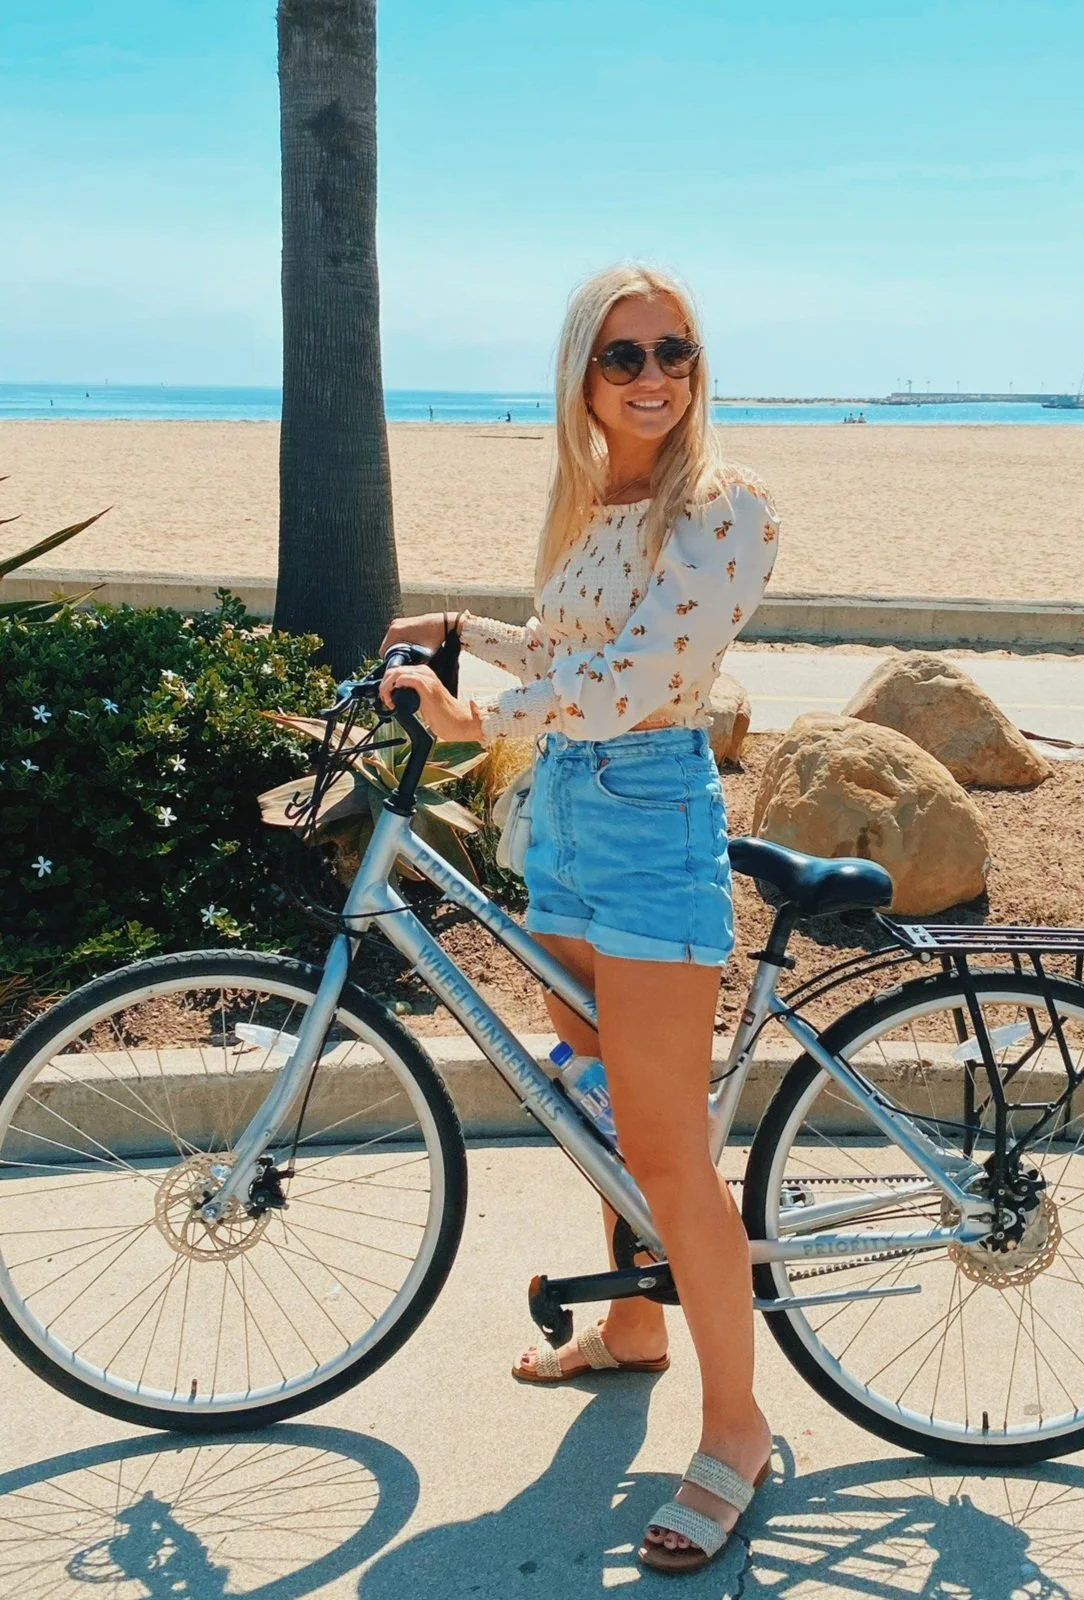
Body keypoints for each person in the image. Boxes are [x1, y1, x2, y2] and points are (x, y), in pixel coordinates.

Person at [379, 263, 779, 1575]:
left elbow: (641, 677)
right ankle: (639, 1327)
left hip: (650, 820)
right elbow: (573, 655)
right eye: (625, 356)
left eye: (675, 351)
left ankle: (736, 1432)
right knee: (595, 1097)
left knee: (668, 1150)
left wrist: (478, 718)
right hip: (563, 813)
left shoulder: (723, 506)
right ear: (583, 377)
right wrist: (465, 633)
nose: (655, 376)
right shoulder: (596, 498)